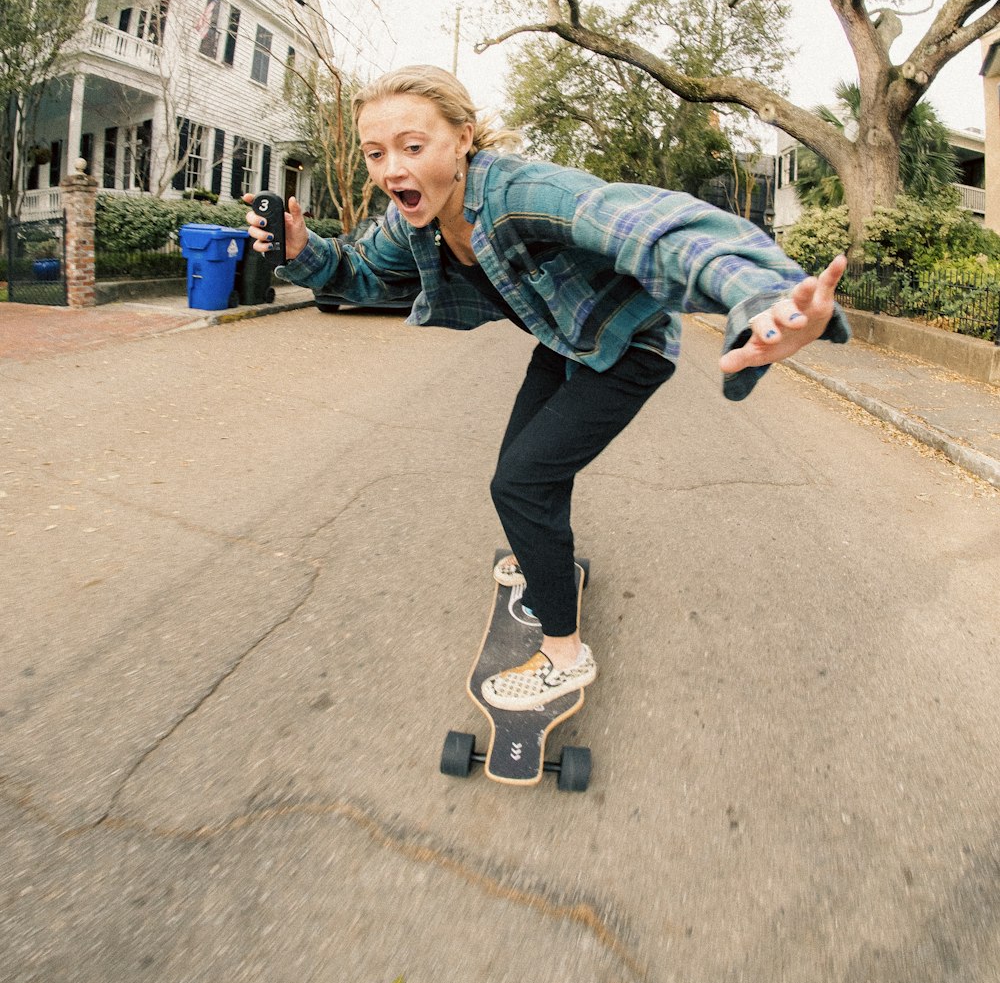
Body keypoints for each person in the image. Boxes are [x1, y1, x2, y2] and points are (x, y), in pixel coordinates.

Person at [246, 65, 848, 713]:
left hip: (628, 348)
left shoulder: (523, 193)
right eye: (376, 153)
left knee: (520, 483)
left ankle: (564, 654)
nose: (393, 168)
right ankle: (544, 556)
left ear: (463, 140)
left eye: (413, 147)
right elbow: (359, 273)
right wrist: (304, 249)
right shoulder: (413, 220)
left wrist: (757, 294)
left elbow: (652, 227)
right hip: (563, 339)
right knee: (522, 469)